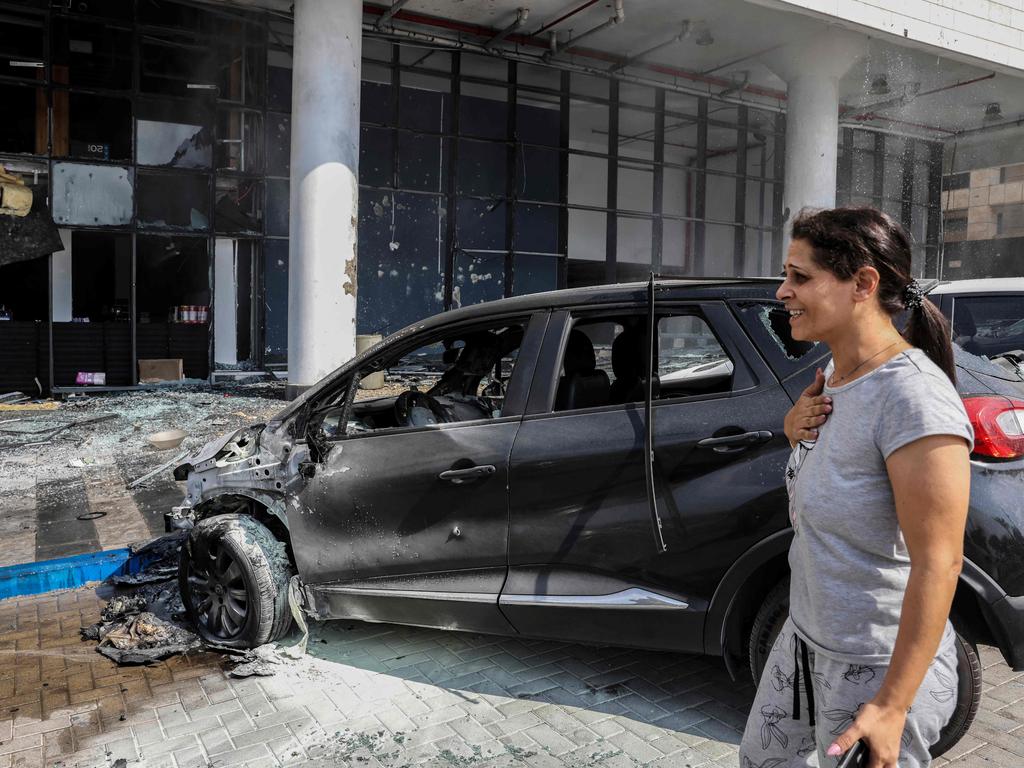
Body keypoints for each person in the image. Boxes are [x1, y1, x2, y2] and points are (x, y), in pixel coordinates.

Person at [738, 207, 973, 768]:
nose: (781, 291)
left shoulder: (913, 399)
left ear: (863, 284)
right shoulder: (836, 381)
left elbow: (939, 563)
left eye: (800, 276)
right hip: (804, 640)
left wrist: (891, 706)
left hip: (875, 665)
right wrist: (793, 432)